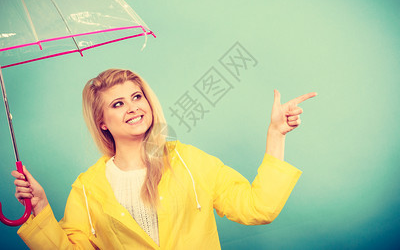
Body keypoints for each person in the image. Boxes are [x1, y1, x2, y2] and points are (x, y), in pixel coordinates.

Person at [12, 68, 316, 249]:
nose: (132, 107)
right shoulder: (87, 188)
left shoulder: (189, 161)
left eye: (136, 97)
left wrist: (276, 133)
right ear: (102, 121)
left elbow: (257, 208)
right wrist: (40, 208)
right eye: (118, 103)